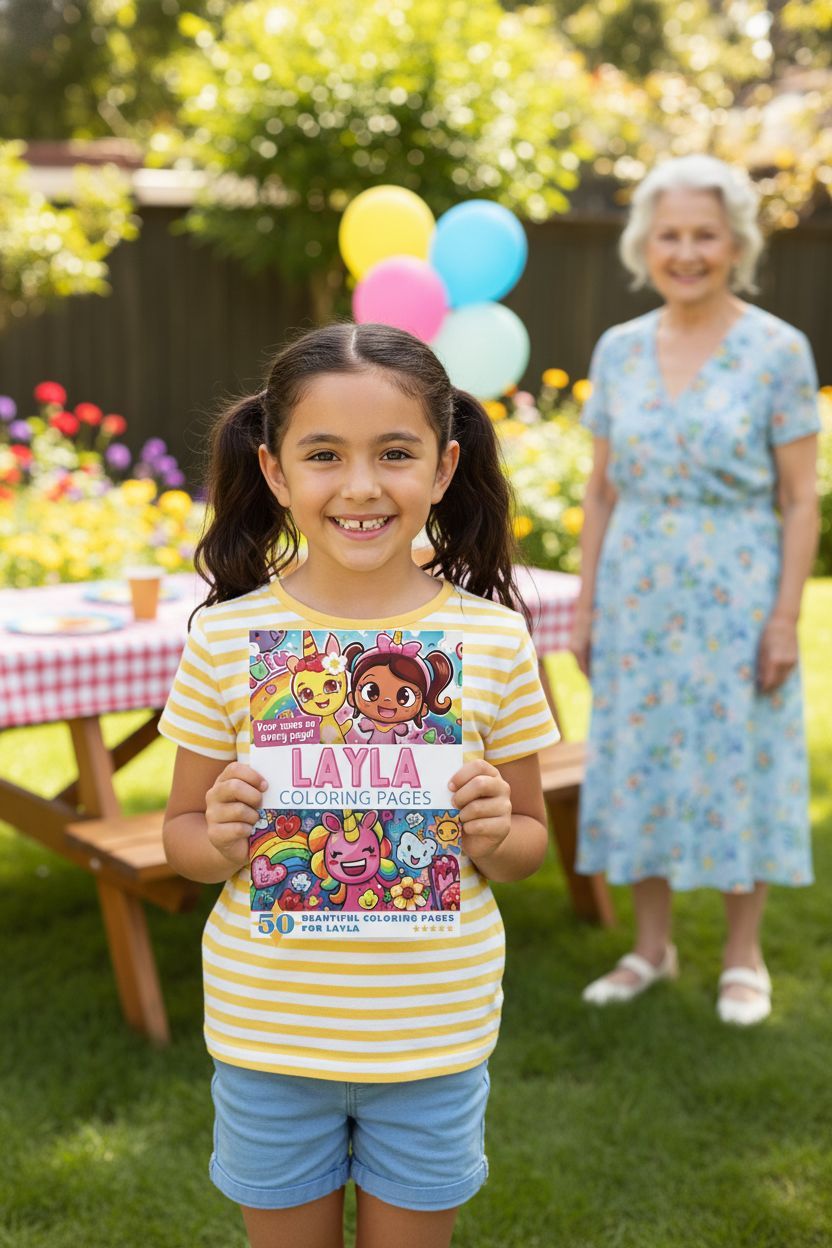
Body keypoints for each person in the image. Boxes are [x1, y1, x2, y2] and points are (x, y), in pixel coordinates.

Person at [159, 322, 559, 1248]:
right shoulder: (228, 640)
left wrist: (499, 831)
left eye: (395, 453)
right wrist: (214, 835)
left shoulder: (492, 640)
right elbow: (179, 838)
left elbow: (533, 842)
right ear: (273, 470)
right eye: (324, 454)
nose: (362, 485)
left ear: (446, 464)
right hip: (271, 1040)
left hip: (433, 1041)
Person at [570, 155, 820, 1026]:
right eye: (668, 234)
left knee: (737, 762)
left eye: (703, 234)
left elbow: (799, 501)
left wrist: (785, 617)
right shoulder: (620, 349)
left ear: (735, 244)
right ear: (646, 243)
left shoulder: (778, 350)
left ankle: (743, 958)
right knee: (640, 760)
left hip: (737, 594)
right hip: (637, 591)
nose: (685, 251)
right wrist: (587, 604)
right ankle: (650, 948)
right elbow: (600, 491)